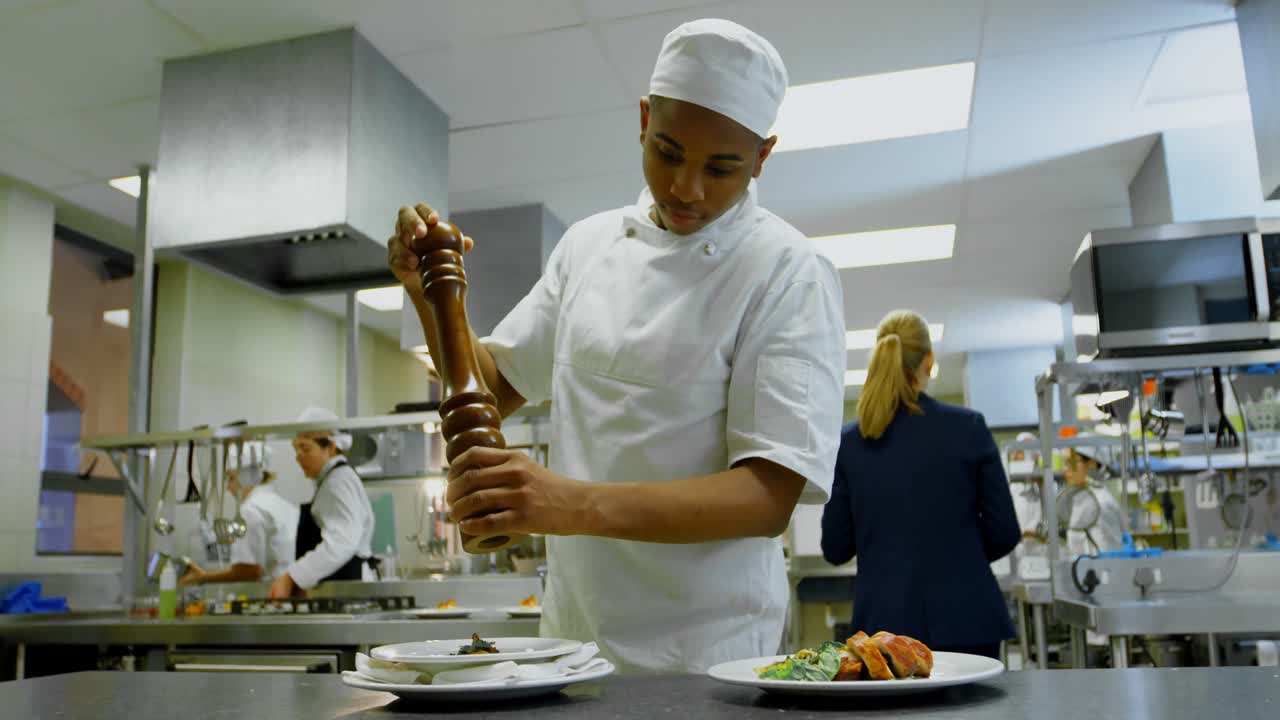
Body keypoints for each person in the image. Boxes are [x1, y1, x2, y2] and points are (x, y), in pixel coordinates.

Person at [387, 19, 846, 673]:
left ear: (762, 157)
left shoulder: (787, 272)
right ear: (644, 120)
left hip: (703, 658)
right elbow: (490, 390)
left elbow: (768, 496)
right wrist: (425, 293)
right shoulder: (588, 246)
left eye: (721, 168)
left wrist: (567, 503)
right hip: (571, 645)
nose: (687, 188)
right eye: (668, 152)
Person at [820, 310, 1020, 661]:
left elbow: (836, 548)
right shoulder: (968, 428)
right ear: (929, 360)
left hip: (885, 628)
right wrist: (960, 557)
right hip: (968, 619)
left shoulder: (850, 443)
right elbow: (1004, 531)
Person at [268, 406, 376, 599]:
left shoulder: (337, 482)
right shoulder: (333, 480)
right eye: (296, 448)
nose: (298, 456)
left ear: (331, 447)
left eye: (305, 448)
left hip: (348, 589)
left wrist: (292, 577)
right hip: (342, 587)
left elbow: (341, 542)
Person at [181, 442, 298, 585]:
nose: (228, 487)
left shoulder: (251, 510)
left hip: (272, 591)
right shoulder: (285, 505)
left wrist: (203, 577)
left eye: (231, 478)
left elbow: (249, 571)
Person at [1062, 443, 1126, 556]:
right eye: (1065, 463)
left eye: (1072, 462)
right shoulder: (1080, 499)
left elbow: (1110, 556)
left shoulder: (1101, 504)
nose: (1066, 469)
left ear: (1092, 464)